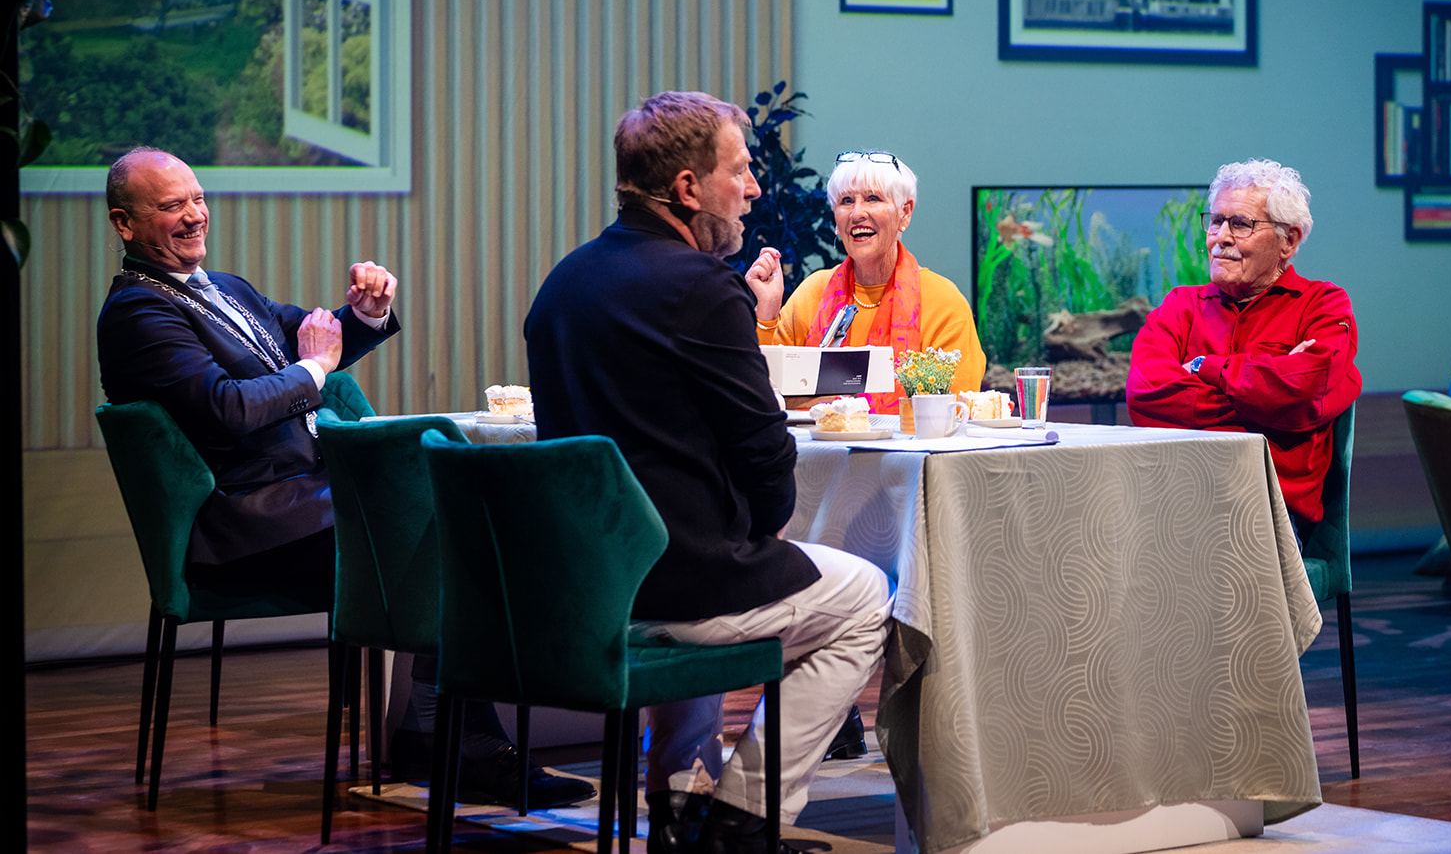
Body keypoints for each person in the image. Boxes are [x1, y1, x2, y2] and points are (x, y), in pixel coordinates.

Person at [97, 148, 591, 810]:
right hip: (253, 523)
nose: (193, 214)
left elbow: (315, 340)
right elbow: (232, 407)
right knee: (462, 531)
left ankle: (433, 731)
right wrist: (313, 370)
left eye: (196, 196)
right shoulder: (136, 314)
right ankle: (459, 743)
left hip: (308, 498)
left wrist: (360, 313)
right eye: (170, 205)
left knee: (467, 514)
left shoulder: (230, 289)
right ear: (126, 224)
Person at [525, 91, 893, 854]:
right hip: (680, 585)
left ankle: (681, 806)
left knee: (717, 565)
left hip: (591, 585)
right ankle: (741, 819)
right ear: (689, 189)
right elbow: (766, 455)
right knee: (865, 595)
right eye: (741, 169)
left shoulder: (560, 286)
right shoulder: (700, 287)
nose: (755, 187)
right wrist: (763, 523)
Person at [1125, 159, 1362, 541]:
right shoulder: (1180, 306)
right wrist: (1268, 390)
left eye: (1241, 224)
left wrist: (1206, 368)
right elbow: (1145, 395)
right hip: (1176, 497)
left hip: (1267, 512)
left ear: (1290, 239)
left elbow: (1304, 390)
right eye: (1215, 221)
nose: (1221, 237)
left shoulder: (1323, 305)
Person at [743, 150, 986, 429]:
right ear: (836, 219)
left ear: (904, 213)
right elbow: (761, 392)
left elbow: (955, 411)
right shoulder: (813, 292)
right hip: (817, 460)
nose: (858, 213)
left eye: (873, 198)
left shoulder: (943, 301)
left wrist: (811, 398)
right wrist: (767, 312)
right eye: (846, 201)